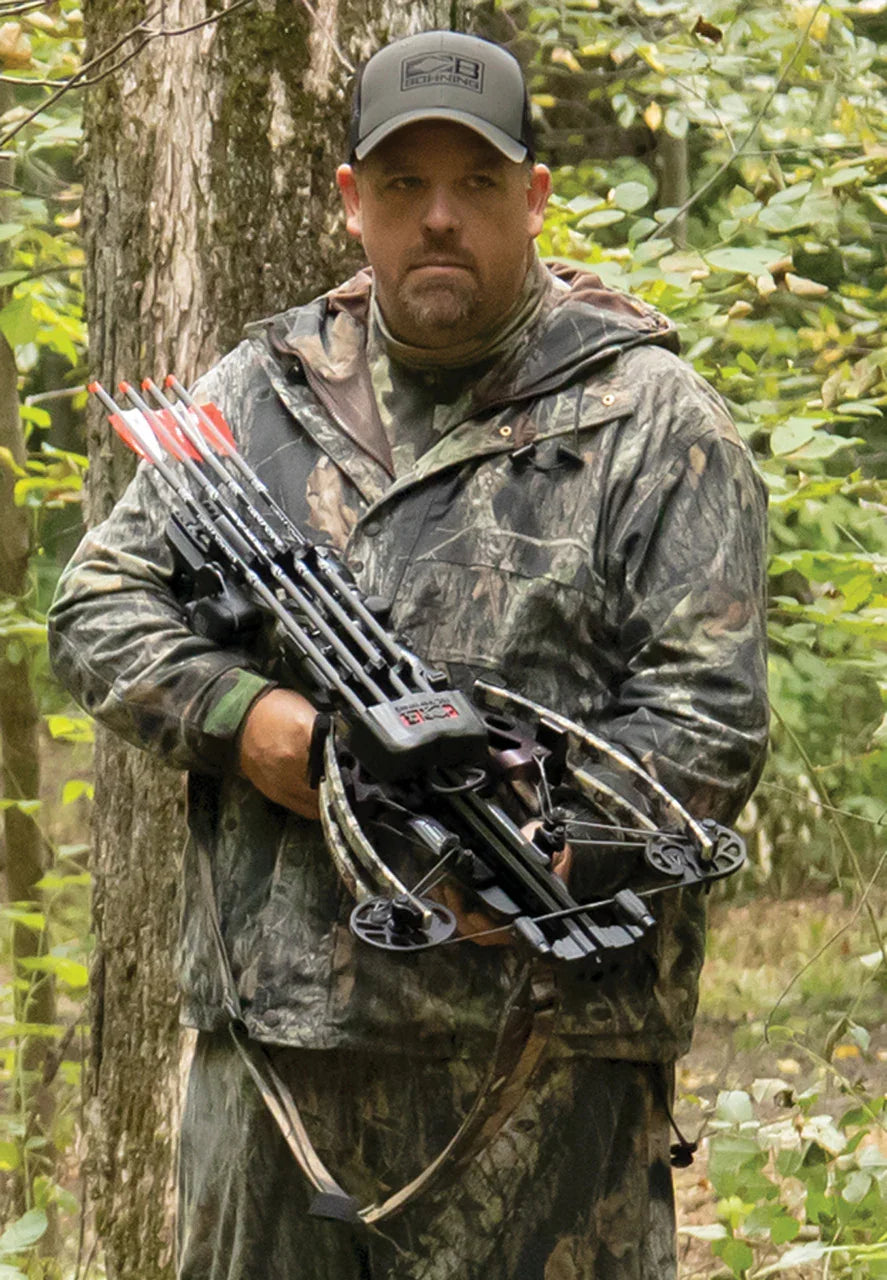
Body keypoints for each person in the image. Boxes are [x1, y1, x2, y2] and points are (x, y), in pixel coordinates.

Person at [49, 28, 769, 1280]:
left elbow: (705, 718)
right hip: (279, 1079)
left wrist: (535, 843)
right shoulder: (254, 396)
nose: (439, 220)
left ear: (532, 198)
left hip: (546, 1079)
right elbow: (98, 604)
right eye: (401, 186)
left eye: (476, 185)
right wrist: (262, 727)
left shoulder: (652, 418)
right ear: (351, 204)